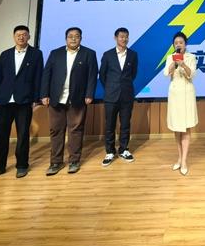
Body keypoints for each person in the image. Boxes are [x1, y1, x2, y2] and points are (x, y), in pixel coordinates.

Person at [0, 25, 43, 181]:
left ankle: (22, 165)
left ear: (29, 37)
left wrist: (36, 99)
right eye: (18, 35)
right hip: (4, 100)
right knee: (0, 135)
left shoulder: (36, 54)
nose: (21, 37)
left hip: (24, 101)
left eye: (24, 34)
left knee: (23, 135)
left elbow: (38, 77)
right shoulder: (5, 54)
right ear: (14, 37)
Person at [40, 27, 97, 175]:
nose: (73, 38)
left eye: (76, 36)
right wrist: (44, 94)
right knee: (56, 130)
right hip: (56, 98)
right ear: (66, 38)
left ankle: (74, 161)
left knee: (76, 130)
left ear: (81, 38)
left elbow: (92, 76)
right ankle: (55, 162)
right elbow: (47, 75)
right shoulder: (55, 53)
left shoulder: (89, 54)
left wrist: (89, 94)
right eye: (70, 36)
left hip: (78, 98)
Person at [99, 27, 139, 167]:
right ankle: (110, 151)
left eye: (126, 36)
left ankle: (123, 149)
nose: (124, 39)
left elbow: (133, 74)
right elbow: (102, 75)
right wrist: (111, 87)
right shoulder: (108, 55)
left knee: (125, 124)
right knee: (109, 125)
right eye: (121, 36)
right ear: (115, 38)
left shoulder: (133, 55)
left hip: (126, 95)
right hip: (111, 96)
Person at [165, 31, 198, 175]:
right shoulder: (170, 57)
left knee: (186, 127)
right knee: (176, 128)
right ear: (173, 45)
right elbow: (167, 73)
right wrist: (174, 62)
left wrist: (183, 64)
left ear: (185, 44)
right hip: (174, 95)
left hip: (187, 94)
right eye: (176, 43)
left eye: (181, 42)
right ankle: (179, 158)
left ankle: (184, 161)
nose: (178, 45)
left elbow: (192, 74)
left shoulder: (191, 57)